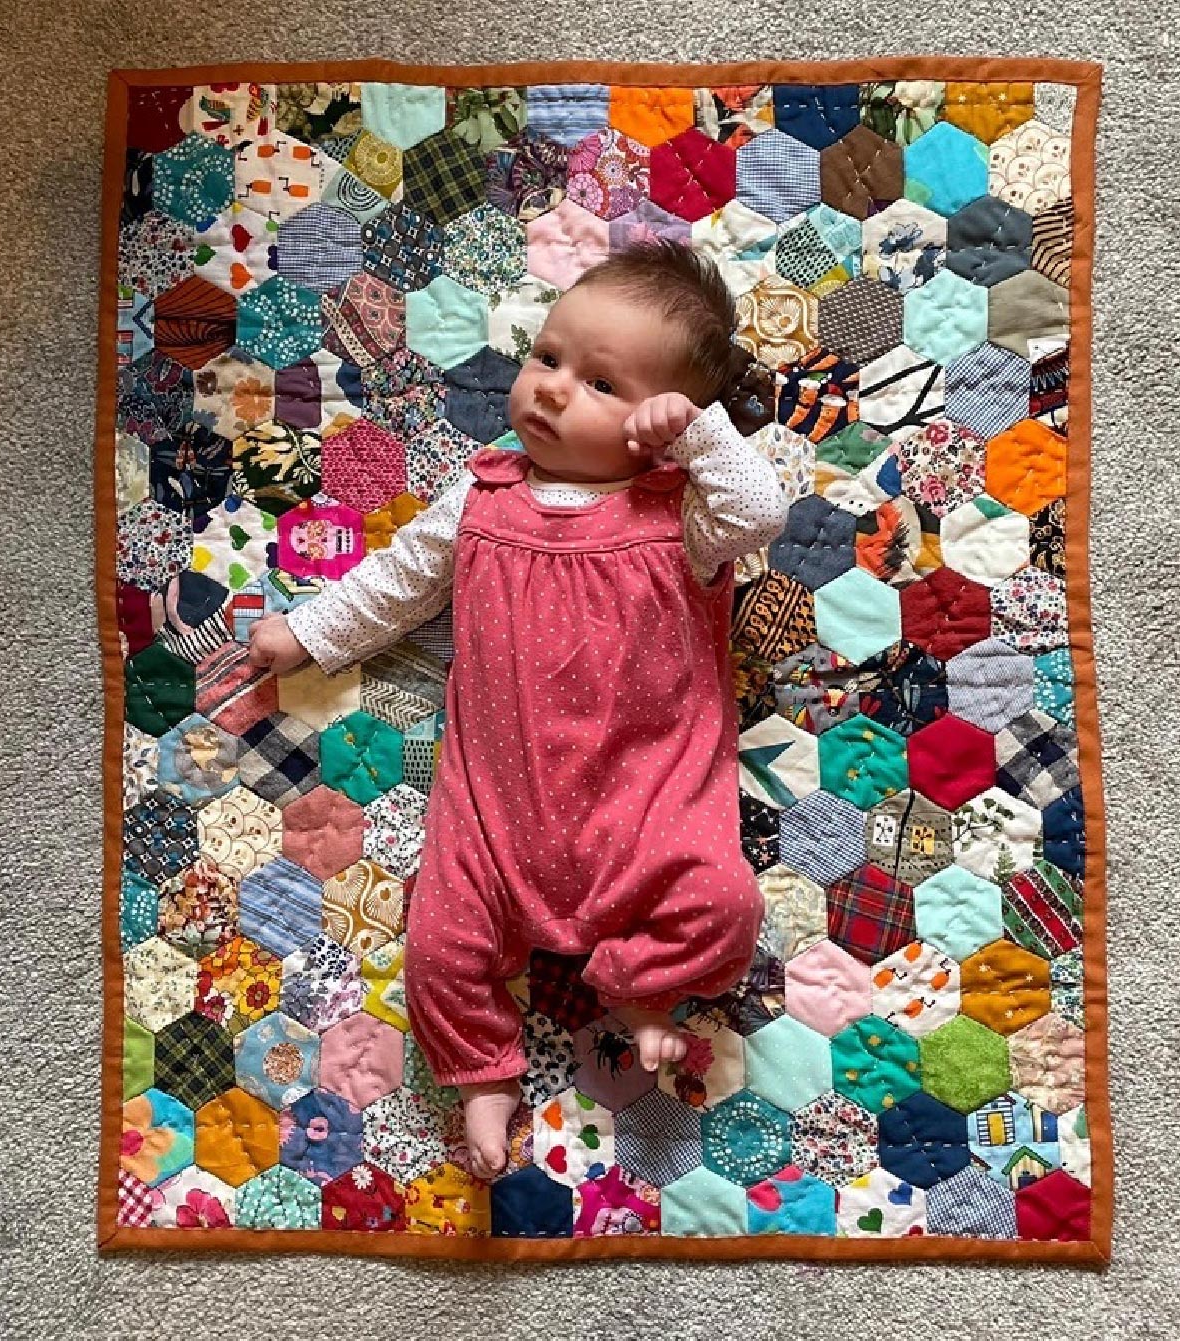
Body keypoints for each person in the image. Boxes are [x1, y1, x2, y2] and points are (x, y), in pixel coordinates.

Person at [248, 239, 789, 1179]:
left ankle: (631, 986)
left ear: (659, 422)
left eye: (601, 384)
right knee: (440, 942)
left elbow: (761, 511)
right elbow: (403, 580)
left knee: (727, 908)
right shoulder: (482, 495)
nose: (551, 387)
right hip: (496, 810)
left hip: (650, 811)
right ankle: (482, 1076)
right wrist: (311, 634)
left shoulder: (681, 513)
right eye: (547, 358)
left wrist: (698, 433)